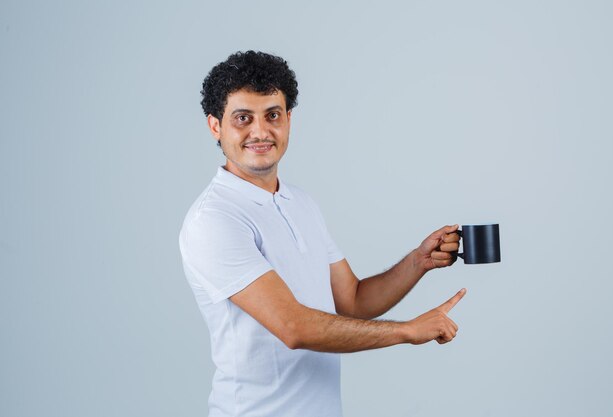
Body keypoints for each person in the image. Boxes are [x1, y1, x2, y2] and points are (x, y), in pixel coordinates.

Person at [179, 50, 465, 417]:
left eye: (273, 115)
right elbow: (293, 326)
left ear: (289, 119)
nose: (260, 131)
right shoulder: (215, 219)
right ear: (215, 126)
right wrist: (406, 331)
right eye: (242, 118)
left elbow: (352, 302)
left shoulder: (300, 202)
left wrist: (417, 262)